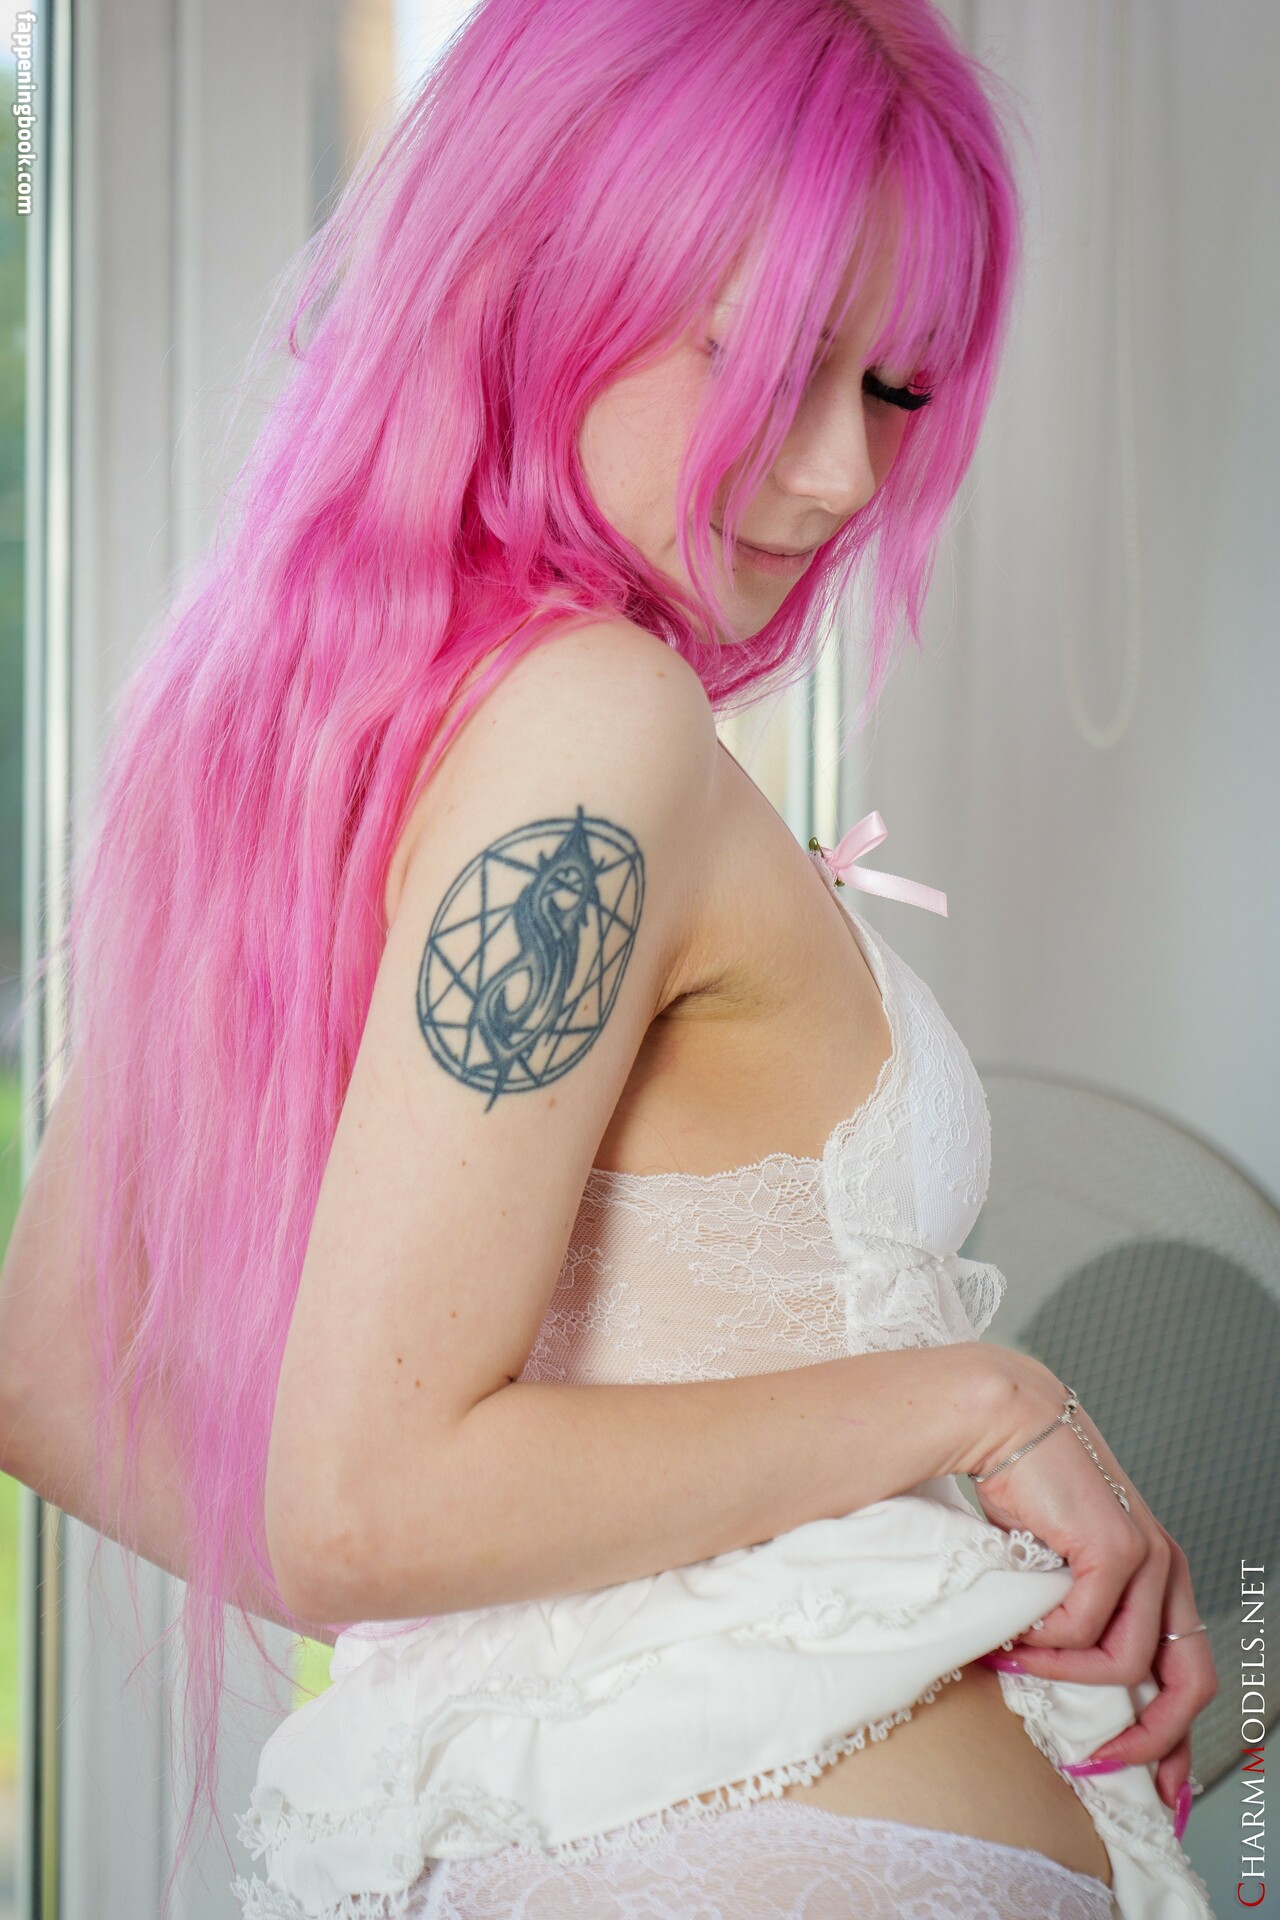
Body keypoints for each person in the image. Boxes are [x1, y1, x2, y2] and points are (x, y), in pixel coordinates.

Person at [0, 0, 1218, 1914]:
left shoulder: (301, 724)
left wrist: (519, 1637)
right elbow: (356, 1501)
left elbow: (52, 1384)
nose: (842, 474)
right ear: (541, 269)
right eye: (775, 360)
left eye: (894, 388)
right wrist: (976, 1400)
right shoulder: (596, 724)